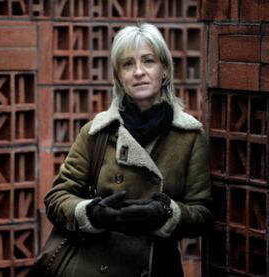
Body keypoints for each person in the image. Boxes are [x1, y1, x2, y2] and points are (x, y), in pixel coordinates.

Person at [43, 23, 213, 277]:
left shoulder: (189, 136)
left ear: (164, 70)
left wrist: (166, 213)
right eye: (128, 64)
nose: (139, 72)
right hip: (93, 266)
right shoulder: (97, 131)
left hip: (156, 268)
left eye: (148, 61)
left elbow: (203, 213)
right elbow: (57, 198)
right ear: (119, 77)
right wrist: (93, 213)